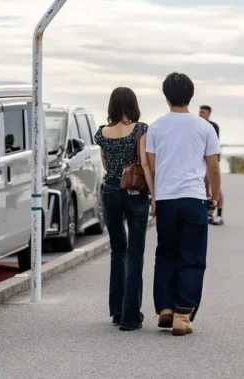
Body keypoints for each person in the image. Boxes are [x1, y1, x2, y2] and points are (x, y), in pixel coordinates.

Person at [145, 73, 221, 336]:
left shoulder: (155, 127)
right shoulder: (204, 127)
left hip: (166, 199)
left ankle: (164, 308)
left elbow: (152, 167)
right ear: (191, 95)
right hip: (193, 198)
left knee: (166, 253)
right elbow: (213, 166)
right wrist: (216, 194)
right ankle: (182, 315)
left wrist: (155, 197)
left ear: (166, 97)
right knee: (192, 255)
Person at [95, 87, 152, 331]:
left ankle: (117, 311)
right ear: (133, 104)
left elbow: (105, 163)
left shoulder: (102, 133)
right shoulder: (140, 129)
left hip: (110, 193)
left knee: (118, 250)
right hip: (135, 194)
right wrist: (155, 195)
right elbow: (145, 164)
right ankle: (130, 316)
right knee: (135, 253)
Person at [199, 105, 224, 226]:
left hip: (212, 160)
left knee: (216, 186)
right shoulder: (198, 125)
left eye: (203, 112)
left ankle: (219, 214)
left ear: (208, 114)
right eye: (200, 112)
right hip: (201, 161)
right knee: (204, 186)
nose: (200, 114)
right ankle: (208, 212)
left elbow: (212, 147)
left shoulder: (212, 126)